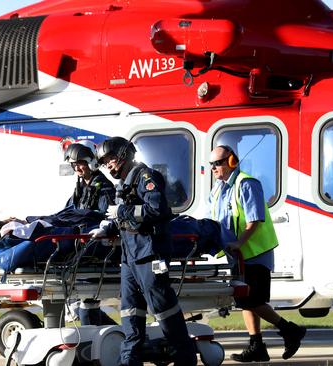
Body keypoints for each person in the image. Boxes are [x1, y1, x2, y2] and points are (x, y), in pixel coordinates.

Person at [91, 136, 196, 366]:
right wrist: (107, 226)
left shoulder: (146, 177)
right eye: (104, 162)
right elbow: (122, 214)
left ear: (124, 154)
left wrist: (122, 212)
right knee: (130, 309)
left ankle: (185, 356)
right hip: (130, 256)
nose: (108, 165)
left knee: (162, 306)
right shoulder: (123, 185)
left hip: (150, 252)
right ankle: (130, 359)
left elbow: (156, 209)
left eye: (110, 159)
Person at [208, 145, 306, 362]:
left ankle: (290, 330)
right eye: (211, 164)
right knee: (244, 300)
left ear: (232, 161)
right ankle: (257, 345)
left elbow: (254, 220)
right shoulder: (218, 189)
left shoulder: (247, 184)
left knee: (253, 300)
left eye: (218, 163)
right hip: (237, 255)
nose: (214, 168)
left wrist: (238, 242)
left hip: (254, 253)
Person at [63, 141, 117, 326]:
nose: (77, 168)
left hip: (98, 252)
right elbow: (67, 214)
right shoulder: (80, 188)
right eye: (74, 164)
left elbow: (109, 218)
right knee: (86, 307)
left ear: (91, 162)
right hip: (83, 252)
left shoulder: (104, 187)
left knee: (86, 307)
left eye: (80, 163)